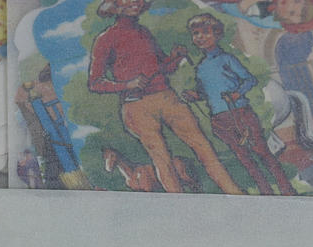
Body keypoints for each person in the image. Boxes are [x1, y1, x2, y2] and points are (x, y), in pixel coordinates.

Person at [88, 0, 244, 195]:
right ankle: (179, 204)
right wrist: (127, 85)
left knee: (203, 146)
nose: (136, 2)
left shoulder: (144, 32)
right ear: (115, 5)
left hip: (166, 97)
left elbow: (163, 67)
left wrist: (175, 57)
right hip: (136, 106)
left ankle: (235, 193)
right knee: (161, 159)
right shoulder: (105, 39)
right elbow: (95, 83)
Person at [182, 13, 297, 196]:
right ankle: (265, 192)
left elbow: (249, 80)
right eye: (196, 33)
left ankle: (287, 189)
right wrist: (194, 95)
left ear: (217, 34)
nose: (200, 37)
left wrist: (236, 94)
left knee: (262, 152)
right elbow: (206, 93)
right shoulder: (201, 67)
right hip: (220, 120)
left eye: (206, 32)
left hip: (240, 113)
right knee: (245, 160)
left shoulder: (226, 59)